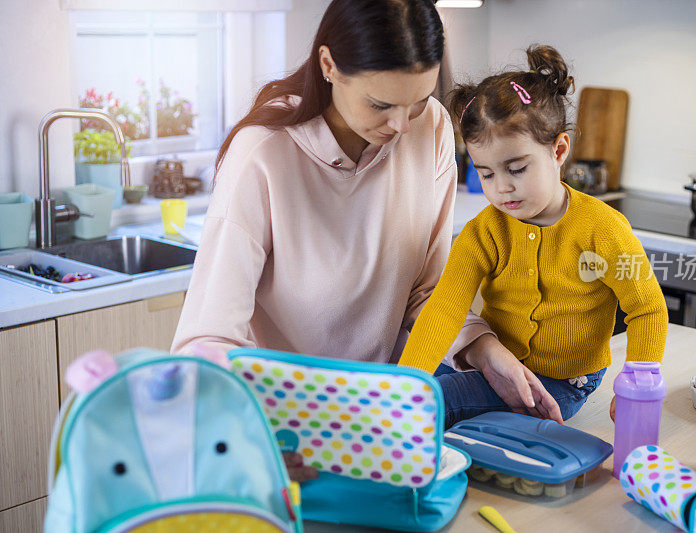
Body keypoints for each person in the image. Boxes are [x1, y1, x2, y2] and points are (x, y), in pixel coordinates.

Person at [171, 0, 562, 480]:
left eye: (416, 100)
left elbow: (426, 292)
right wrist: (250, 432)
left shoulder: (432, 127)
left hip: (380, 422)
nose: (400, 125)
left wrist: (482, 349)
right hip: (279, 435)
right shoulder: (264, 155)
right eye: (381, 104)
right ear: (329, 66)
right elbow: (207, 339)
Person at [398, 45, 669, 423]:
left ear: (558, 150)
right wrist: (406, 382)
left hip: (562, 382)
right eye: (487, 174)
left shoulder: (603, 229)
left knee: (431, 405)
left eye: (517, 169)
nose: (501, 188)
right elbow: (444, 309)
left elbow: (647, 308)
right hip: (497, 366)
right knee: (411, 394)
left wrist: (638, 381)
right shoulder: (483, 232)